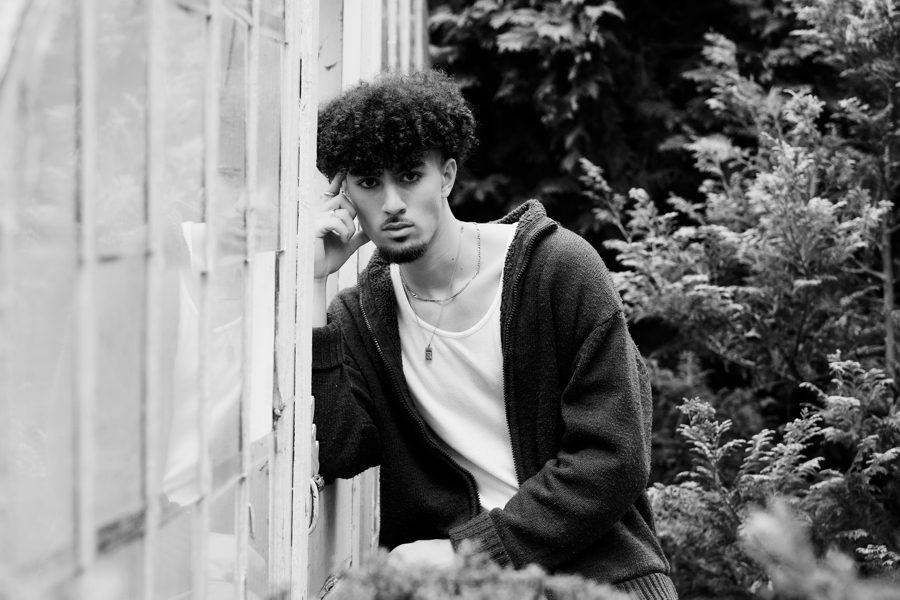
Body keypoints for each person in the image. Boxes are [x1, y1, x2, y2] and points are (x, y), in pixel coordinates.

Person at [311, 70, 677, 599]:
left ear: (447, 176)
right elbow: (339, 449)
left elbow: (614, 459)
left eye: (410, 176)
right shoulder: (361, 319)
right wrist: (314, 282)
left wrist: (469, 552)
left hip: (599, 580)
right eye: (369, 183)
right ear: (346, 196)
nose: (391, 203)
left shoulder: (556, 270)